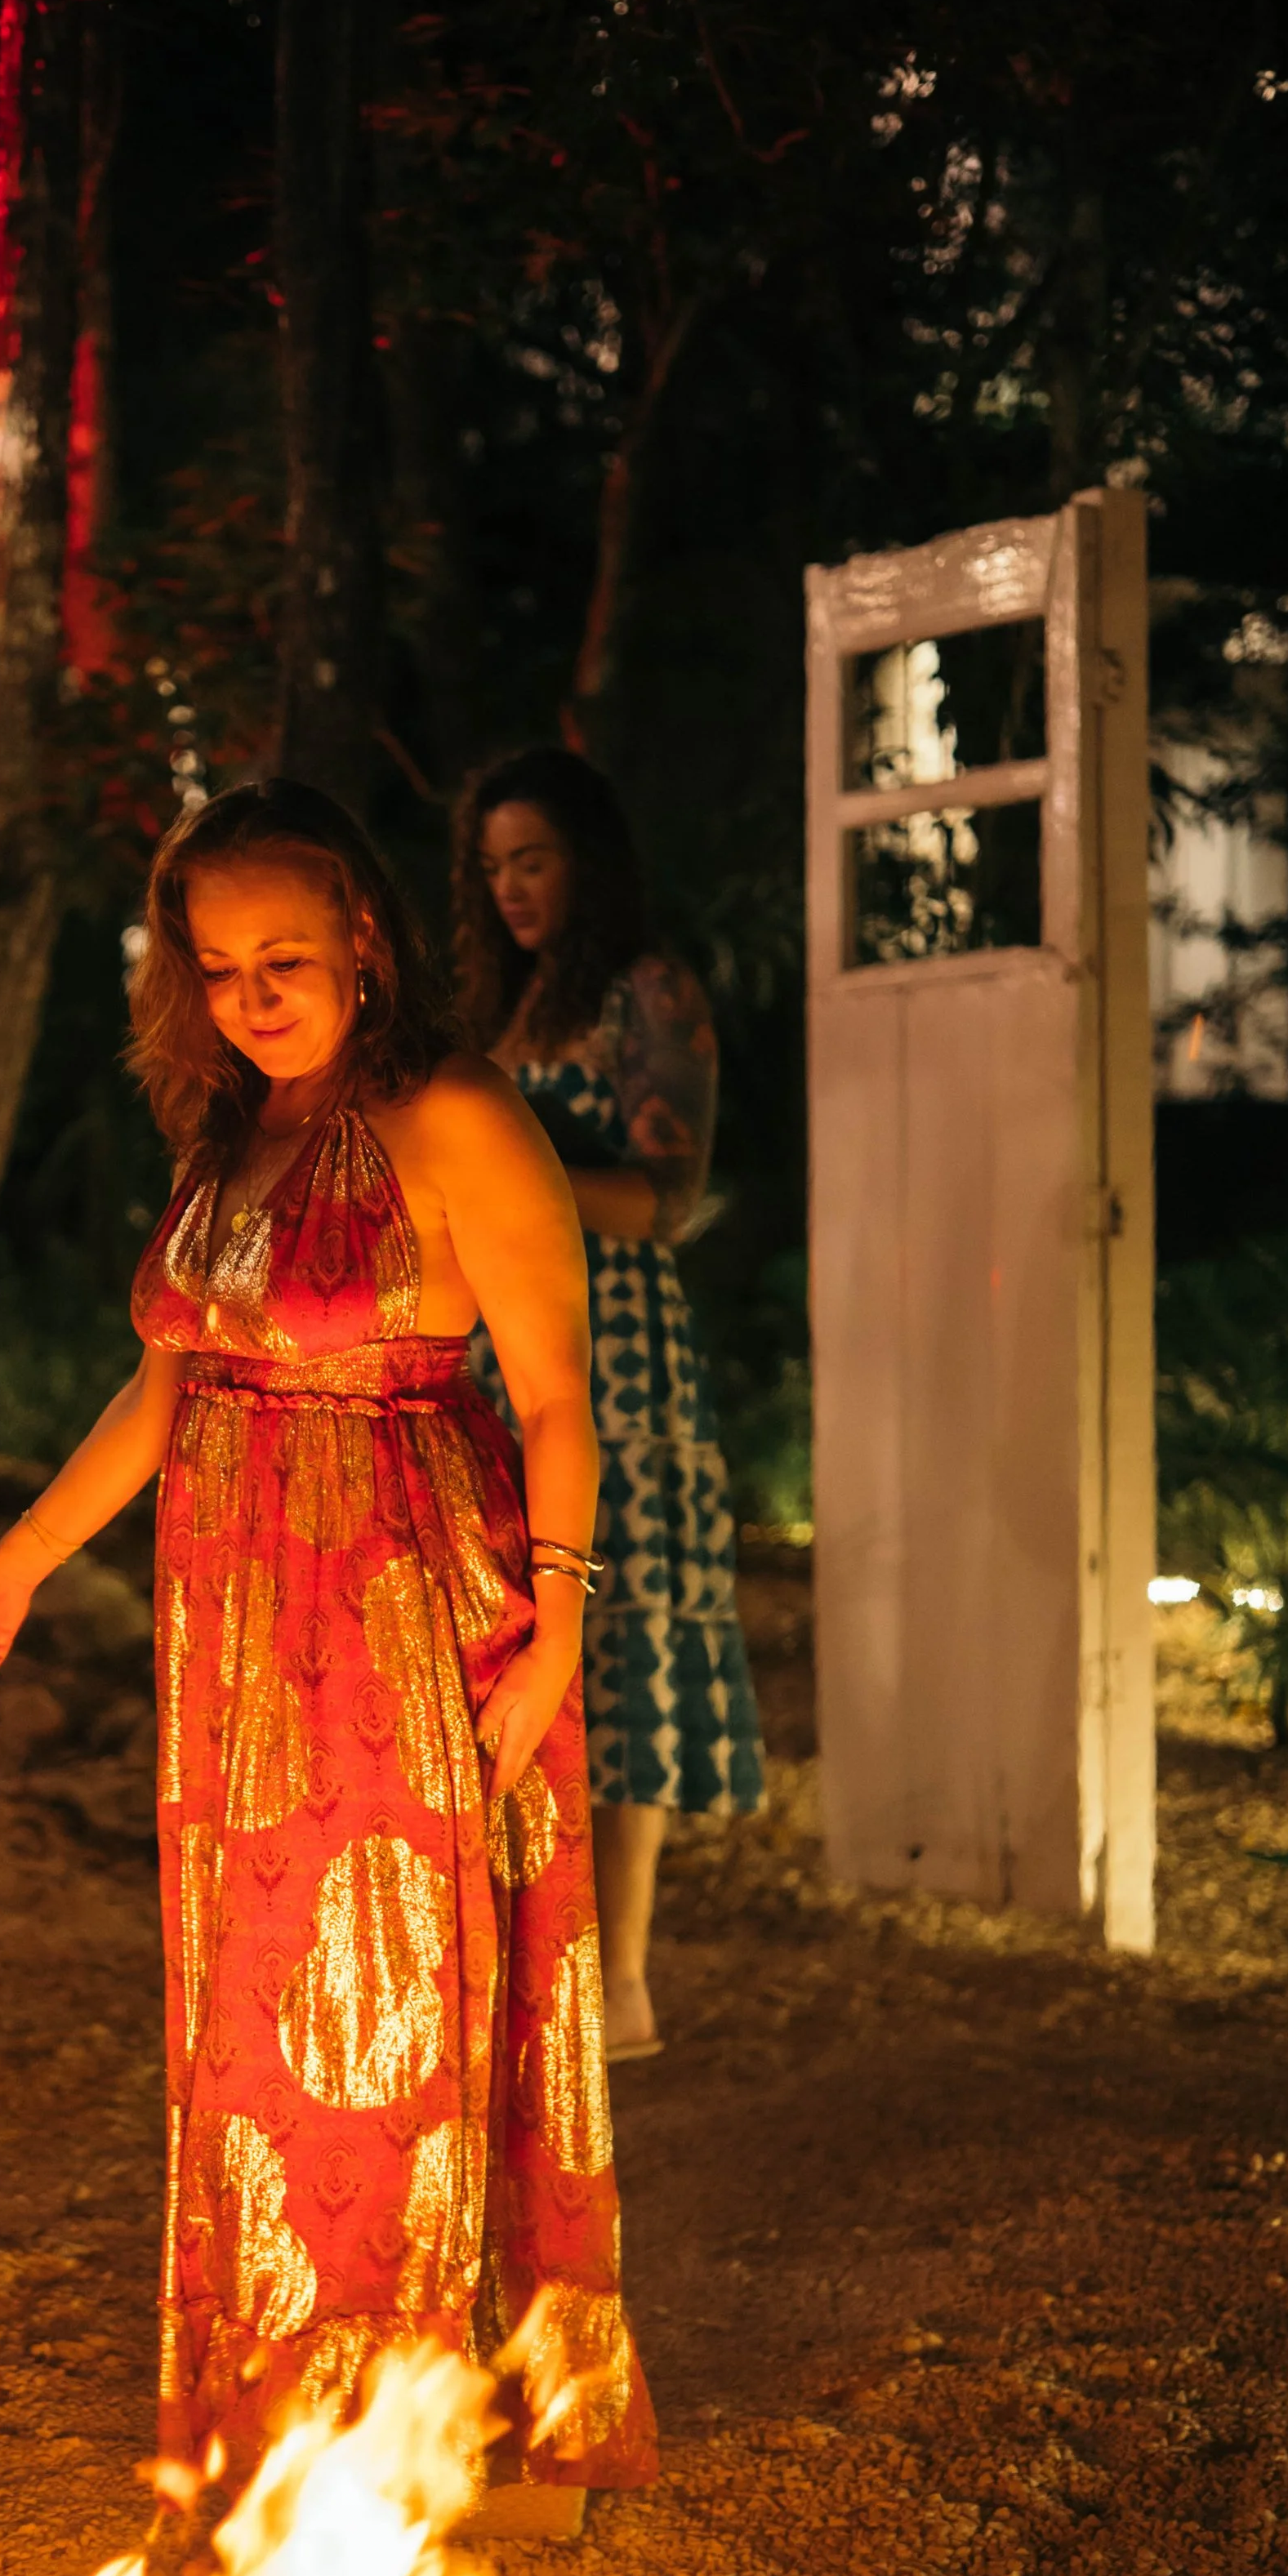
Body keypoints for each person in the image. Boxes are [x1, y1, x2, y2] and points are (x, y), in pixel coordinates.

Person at [0, 781, 657, 2498]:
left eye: (284, 961)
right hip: (232, 1634)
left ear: (367, 943)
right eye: (215, 966)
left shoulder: (452, 1113)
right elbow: (163, 1388)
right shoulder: (223, 1135)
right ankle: (277, 2415)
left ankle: (397, 2435)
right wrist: (14, 1568)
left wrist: (557, 1633)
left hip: (404, 1602)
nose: (249, 997)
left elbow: (554, 1397)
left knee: (387, 2016)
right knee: (253, 2037)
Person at [456, 746, 764, 2062]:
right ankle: (513, 1958)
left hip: (616, 1346)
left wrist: (505, 1177)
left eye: (534, 857)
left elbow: (667, 1201)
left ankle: (622, 1977)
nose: (514, 886)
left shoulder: (653, 993)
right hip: (484, 1341)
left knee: (620, 1635)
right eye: (493, 867)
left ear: (588, 856)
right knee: (496, 1633)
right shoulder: (500, 1006)